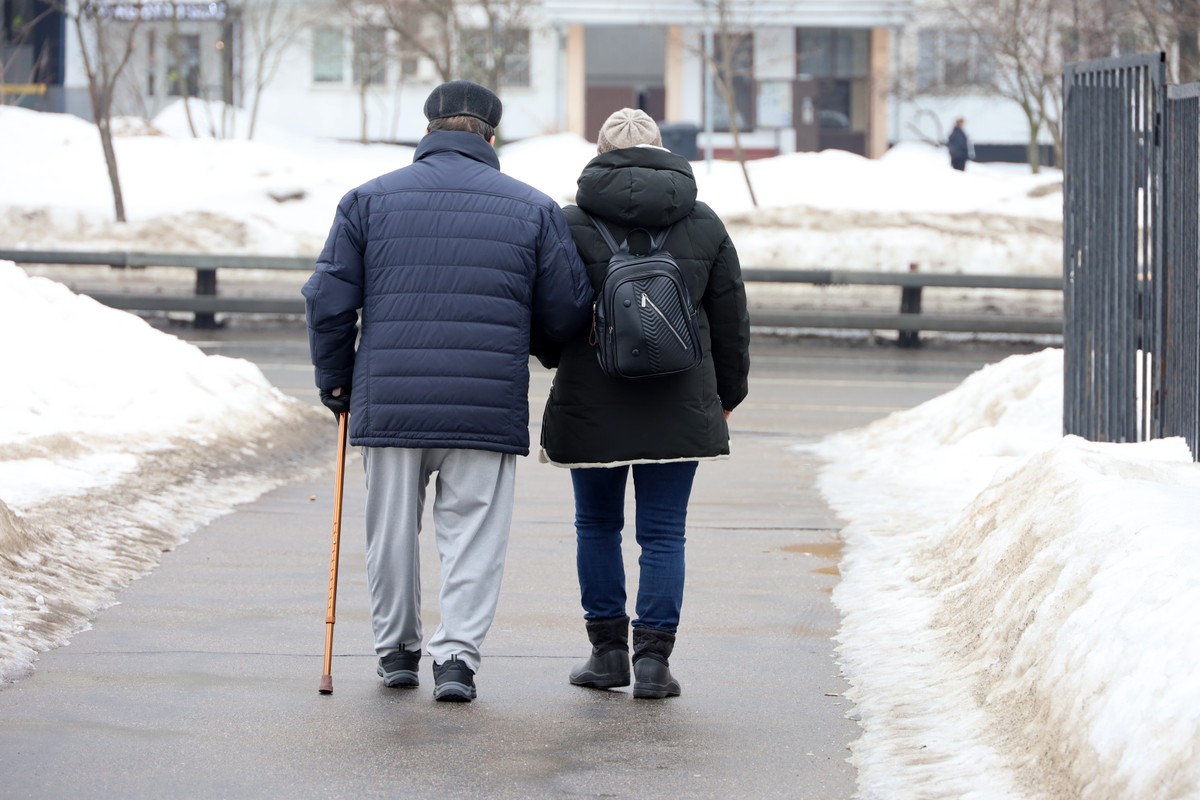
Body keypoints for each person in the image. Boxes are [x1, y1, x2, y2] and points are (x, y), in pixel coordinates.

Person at [302, 80, 592, 703]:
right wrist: (527, 341)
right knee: (474, 536)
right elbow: (568, 309)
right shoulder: (533, 208)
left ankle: (396, 651)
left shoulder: (368, 200)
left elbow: (328, 300)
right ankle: (456, 658)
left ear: (428, 129)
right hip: (485, 401)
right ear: (491, 135)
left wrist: (336, 379)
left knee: (389, 534)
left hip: (390, 400)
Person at [536, 108, 751, 699]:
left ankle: (607, 655)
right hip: (679, 400)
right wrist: (727, 395)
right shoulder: (703, 221)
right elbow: (731, 319)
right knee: (663, 533)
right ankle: (653, 663)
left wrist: (561, 359)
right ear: (662, 152)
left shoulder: (568, 222)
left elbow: (549, 314)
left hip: (591, 399)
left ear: (600, 153)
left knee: (596, 526)